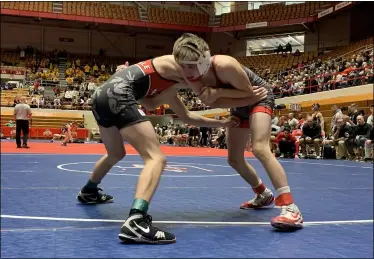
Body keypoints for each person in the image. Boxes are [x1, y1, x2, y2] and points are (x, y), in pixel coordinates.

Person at [76, 58, 266, 244]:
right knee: (155, 158)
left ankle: (89, 191)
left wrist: (221, 123)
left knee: (115, 153)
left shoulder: (170, 86)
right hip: (119, 93)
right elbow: (208, 96)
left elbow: (184, 115)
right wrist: (248, 95)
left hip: (102, 95)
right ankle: (137, 220)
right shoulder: (181, 68)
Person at [172, 33, 303, 230]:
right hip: (240, 103)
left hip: (260, 97)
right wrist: (218, 97)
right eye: (182, 65)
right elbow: (211, 101)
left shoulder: (226, 65)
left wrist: (218, 92)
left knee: (259, 148)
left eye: (191, 65)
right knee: (234, 159)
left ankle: (290, 207)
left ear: (204, 59)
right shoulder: (189, 73)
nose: (187, 72)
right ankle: (263, 194)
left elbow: (250, 94)